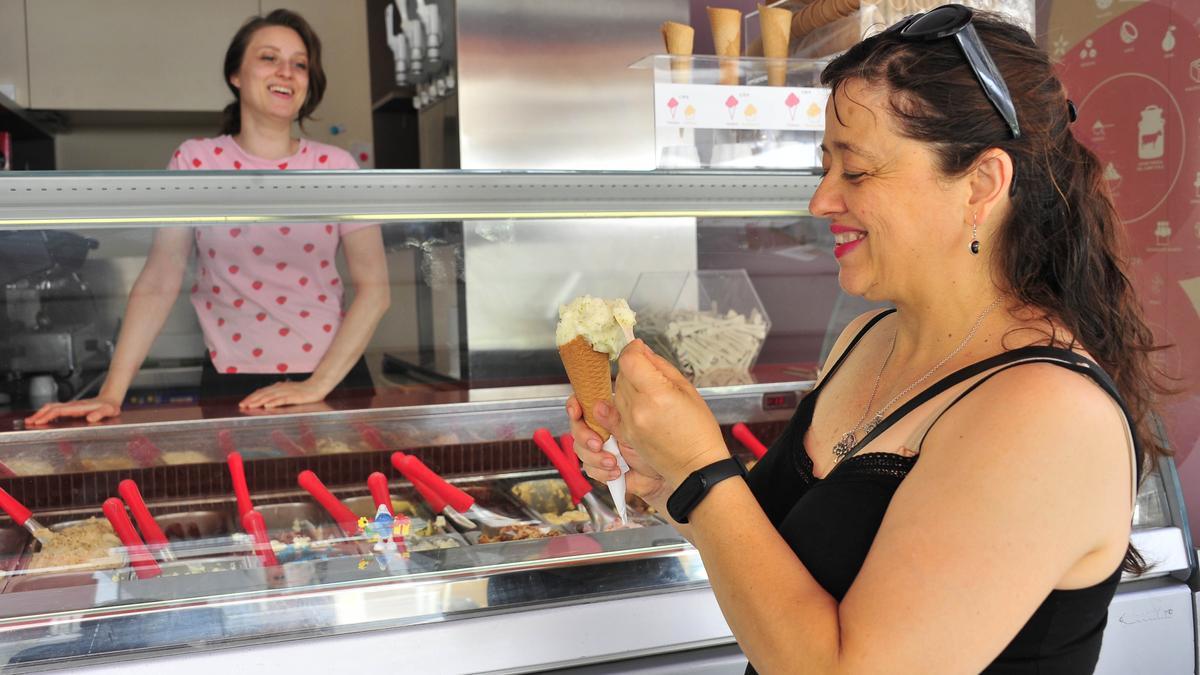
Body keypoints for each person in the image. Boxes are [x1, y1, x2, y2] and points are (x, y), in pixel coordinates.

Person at [567, 6, 1170, 674]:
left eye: (855, 172)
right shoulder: (867, 338)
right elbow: (770, 557)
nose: (821, 200)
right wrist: (664, 471)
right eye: (823, 167)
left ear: (981, 183)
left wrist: (704, 470)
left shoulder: (1048, 412)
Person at [26, 9, 389, 424]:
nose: (287, 72)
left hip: (332, 379)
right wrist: (112, 393)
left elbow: (376, 288)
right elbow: (161, 278)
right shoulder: (196, 160)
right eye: (269, 58)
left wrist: (316, 386)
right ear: (236, 74)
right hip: (232, 381)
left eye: (300, 64)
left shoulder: (335, 166)